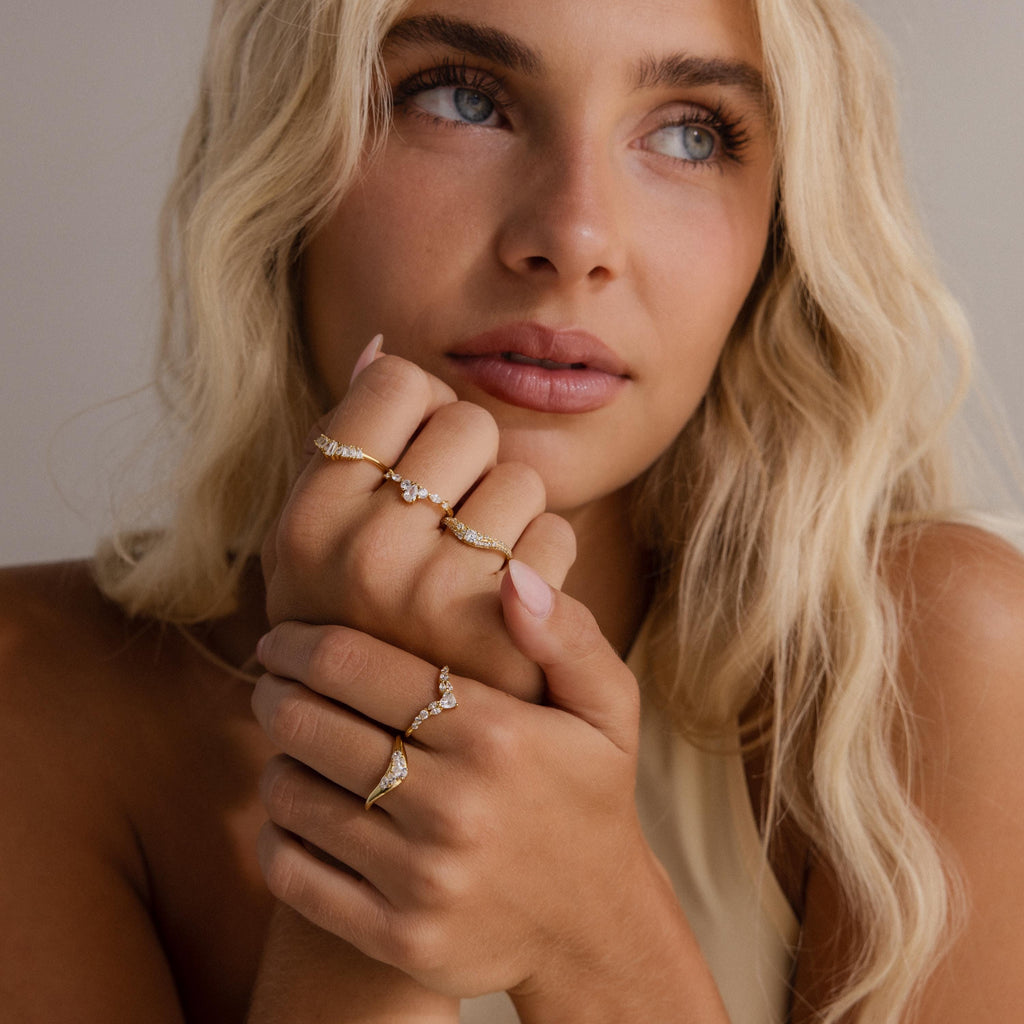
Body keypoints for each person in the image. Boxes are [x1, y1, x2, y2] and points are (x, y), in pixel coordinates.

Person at [2, 0, 1023, 1020]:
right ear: (286, 158)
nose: (573, 237)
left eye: (690, 133)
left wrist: (596, 929)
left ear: (782, 227)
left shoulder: (928, 661)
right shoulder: (32, 696)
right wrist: (387, 752)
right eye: (461, 99)